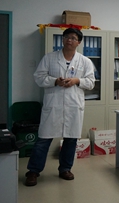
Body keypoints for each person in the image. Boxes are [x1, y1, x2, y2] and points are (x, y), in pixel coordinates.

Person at [25, 28, 95, 186]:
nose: (69, 40)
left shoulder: (85, 61)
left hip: (73, 105)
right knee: (43, 139)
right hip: (54, 105)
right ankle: (33, 171)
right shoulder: (49, 58)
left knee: (71, 140)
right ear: (62, 40)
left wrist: (77, 81)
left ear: (79, 42)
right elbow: (39, 77)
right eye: (66, 37)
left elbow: (91, 82)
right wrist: (55, 81)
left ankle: (65, 169)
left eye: (73, 38)